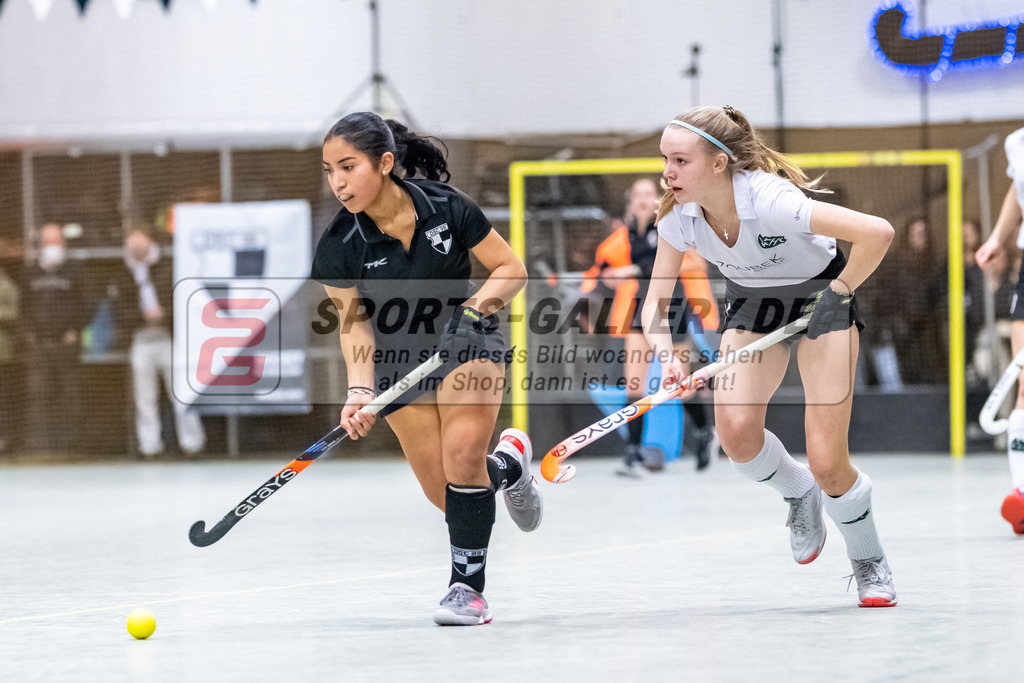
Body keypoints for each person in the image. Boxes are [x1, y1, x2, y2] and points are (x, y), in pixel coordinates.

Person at [644, 106, 897, 607]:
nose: (668, 173)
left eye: (680, 160)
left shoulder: (771, 198)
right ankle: (798, 490)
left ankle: (868, 560)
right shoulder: (679, 214)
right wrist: (666, 357)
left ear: (719, 163)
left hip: (821, 299)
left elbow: (879, 232)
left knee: (829, 460)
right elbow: (654, 302)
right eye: (665, 160)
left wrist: (840, 292)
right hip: (753, 304)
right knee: (735, 434)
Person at [310, 112, 541, 625]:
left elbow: (510, 269)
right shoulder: (337, 245)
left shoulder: (447, 208)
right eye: (329, 170)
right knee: (447, 494)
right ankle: (509, 466)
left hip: (465, 343)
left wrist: (476, 309)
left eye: (347, 166)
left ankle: (467, 592)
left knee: (462, 459)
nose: (338, 182)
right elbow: (355, 327)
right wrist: (358, 390)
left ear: (385, 162)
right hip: (398, 364)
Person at [581, 178, 718, 477]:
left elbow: (662, 262)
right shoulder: (625, 236)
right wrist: (605, 276)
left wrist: (629, 270)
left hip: (673, 310)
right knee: (634, 386)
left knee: (677, 385)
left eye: (648, 195)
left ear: (655, 199)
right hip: (640, 312)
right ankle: (632, 452)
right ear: (631, 203)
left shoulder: (668, 225)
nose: (643, 200)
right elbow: (605, 268)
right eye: (637, 196)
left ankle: (704, 430)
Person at [114, 229, 205, 459]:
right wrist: (141, 316)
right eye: (133, 249)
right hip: (141, 339)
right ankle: (150, 447)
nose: (137, 253)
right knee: (145, 397)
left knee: (182, 393)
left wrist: (164, 313)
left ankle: (192, 444)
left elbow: (183, 297)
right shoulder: (126, 273)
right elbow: (121, 309)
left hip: (169, 338)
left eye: (140, 248)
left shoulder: (168, 267)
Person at [974, 125, 1024, 535]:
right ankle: (1021, 494)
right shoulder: (1017, 142)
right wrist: (996, 239)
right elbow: (1016, 189)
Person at [20, 223, 87, 453]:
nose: (52, 246)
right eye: (48, 241)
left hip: (66, 344)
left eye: (56, 241)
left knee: (69, 395)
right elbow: (24, 307)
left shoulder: (75, 270)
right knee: (39, 394)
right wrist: (29, 332)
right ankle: (41, 447)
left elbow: (88, 303)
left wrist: (75, 329)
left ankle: (70, 448)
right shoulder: (31, 270)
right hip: (39, 345)